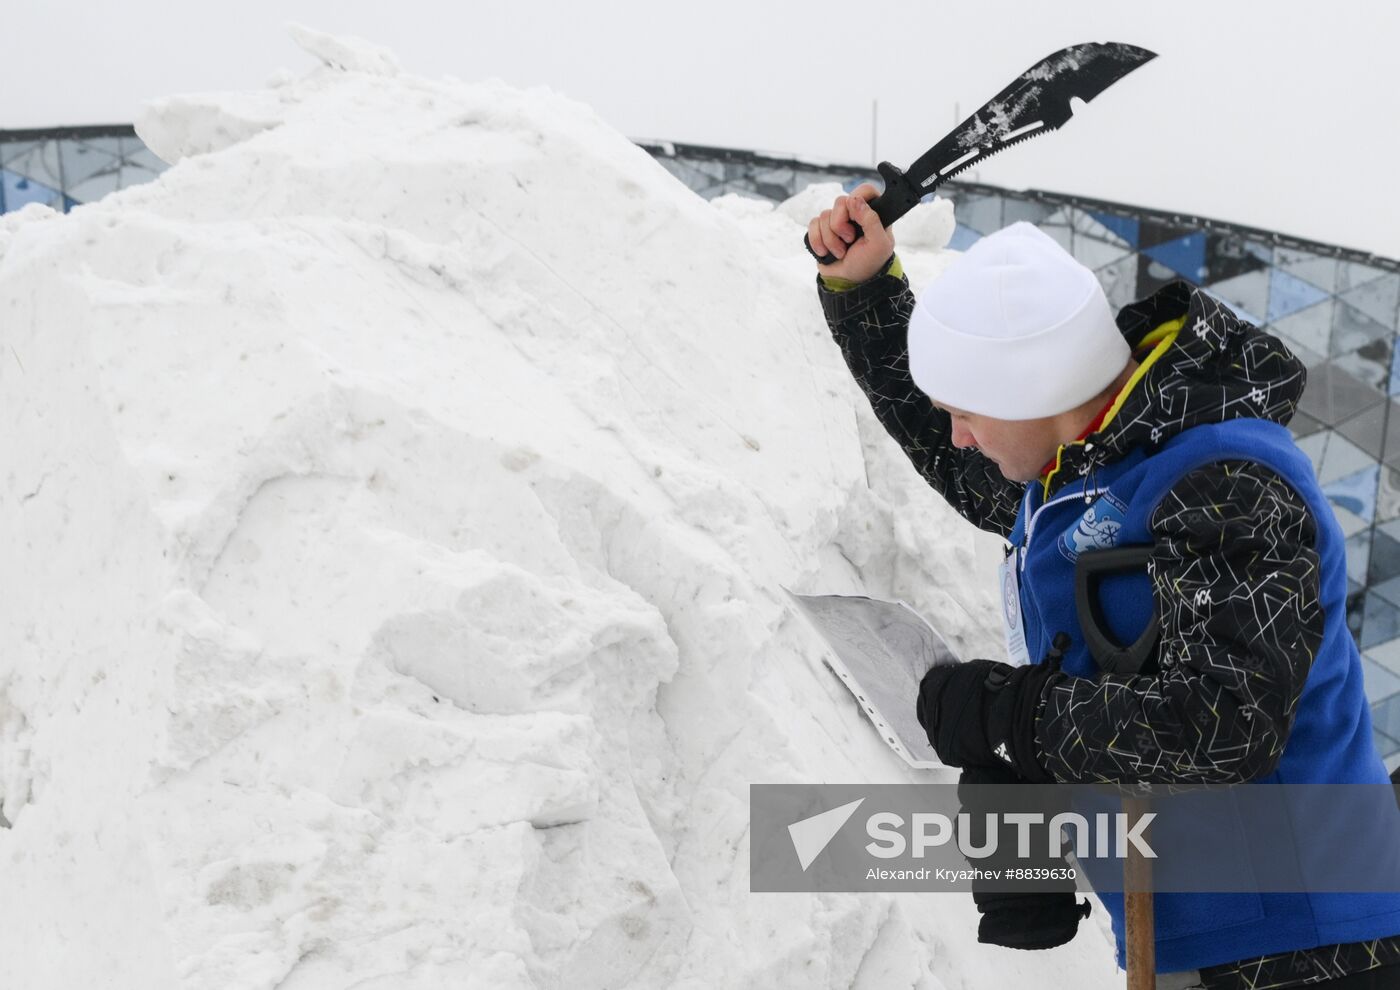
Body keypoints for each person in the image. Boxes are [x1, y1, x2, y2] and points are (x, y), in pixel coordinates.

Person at [808, 184, 1400, 989]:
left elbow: (1223, 726)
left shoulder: (1228, 482)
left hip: (1314, 947)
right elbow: (958, 455)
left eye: (969, 409)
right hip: (1206, 943)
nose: (960, 436)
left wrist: (1020, 717)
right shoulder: (1090, 472)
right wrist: (866, 285)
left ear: (1032, 390)